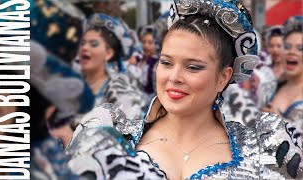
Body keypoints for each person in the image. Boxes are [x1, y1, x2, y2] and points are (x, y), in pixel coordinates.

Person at [66, 1, 303, 179]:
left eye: (193, 67)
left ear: (224, 77)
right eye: (166, 62)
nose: (174, 77)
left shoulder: (266, 150)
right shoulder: (107, 139)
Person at [262, 16, 303, 132]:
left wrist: (280, 124)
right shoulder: (275, 85)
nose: (291, 52)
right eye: (287, 46)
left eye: (300, 48)